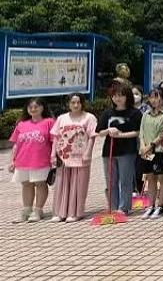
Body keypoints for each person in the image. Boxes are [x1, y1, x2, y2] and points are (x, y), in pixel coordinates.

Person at [95, 84, 142, 216]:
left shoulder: (135, 113)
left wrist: (121, 135)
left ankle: (124, 207)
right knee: (111, 181)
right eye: (114, 96)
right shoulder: (107, 113)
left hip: (127, 151)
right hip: (109, 151)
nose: (117, 98)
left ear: (127, 96)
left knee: (125, 180)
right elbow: (99, 132)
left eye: (121, 95)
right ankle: (113, 207)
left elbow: (138, 132)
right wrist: (108, 131)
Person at [49, 94, 97, 222]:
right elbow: (56, 137)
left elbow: (92, 137)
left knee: (79, 184)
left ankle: (75, 213)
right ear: (68, 104)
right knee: (61, 184)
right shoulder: (61, 118)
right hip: (63, 156)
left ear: (82, 103)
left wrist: (88, 153)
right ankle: (59, 213)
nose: (76, 105)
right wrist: (53, 154)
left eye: (78, 102)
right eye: (73, 102)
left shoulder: (89, 117)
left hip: (80, 156)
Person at [8, 98, 55, 223]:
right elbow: (16, 144)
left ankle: (38, 211)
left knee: (40, 184)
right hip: (22, 161)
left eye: (36, 106)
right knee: (26, 184)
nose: (33, 109)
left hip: (41, 160)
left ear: (42, 108)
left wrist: (54, 157)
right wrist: (12, 160)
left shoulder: (49, 122)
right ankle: (27, 210)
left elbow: (54, 141)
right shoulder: (21, 124)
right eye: (30, 107)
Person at [138, 88, 163, 219]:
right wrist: (143, 146)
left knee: (162, 178)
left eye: (156, 97)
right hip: (146, 151)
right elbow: (141, 131)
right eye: (151, 97)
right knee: (150, 178)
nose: (153, 100)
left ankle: (160, 206)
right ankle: (150, 205)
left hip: (159, 151)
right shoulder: (146, 114)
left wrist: (151, 145)